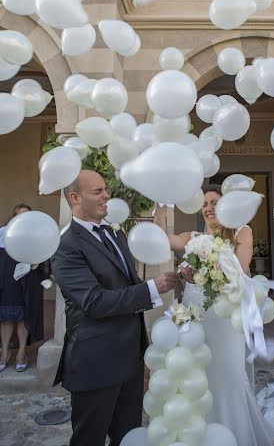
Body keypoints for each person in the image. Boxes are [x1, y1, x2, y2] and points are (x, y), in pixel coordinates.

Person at [154, 184, 274, 445]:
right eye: (204, 204)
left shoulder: (242, 232)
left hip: (225, 318)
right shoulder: (193, 237)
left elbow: (238, 272)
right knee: (198, 372)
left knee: (227, 371)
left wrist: (202, 272)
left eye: (215, 203)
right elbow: (162, 238)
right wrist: (162, 204)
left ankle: (235, 433)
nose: (208, 208)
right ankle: (199, 432)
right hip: (195, 315)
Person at [51, 170, 178, 446]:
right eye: (97, 191)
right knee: (89, 439)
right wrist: (151, 289)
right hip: (95, 365)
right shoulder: (65, 247)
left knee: (129, 436)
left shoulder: (113, 234)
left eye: (105, 189)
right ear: (75, 197)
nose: (107, 195)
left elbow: (126, 286)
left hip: (129, 360)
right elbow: (94, 302)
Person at [0, 203, 44, 373]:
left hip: (29, 279)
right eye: (20, 214)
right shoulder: (3, 233)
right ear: (13, 216)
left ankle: (21, 353)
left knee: (24, 316)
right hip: (8, 279)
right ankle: (5, 352)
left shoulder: (37, 235)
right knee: (7, 316)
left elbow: (44, 257)